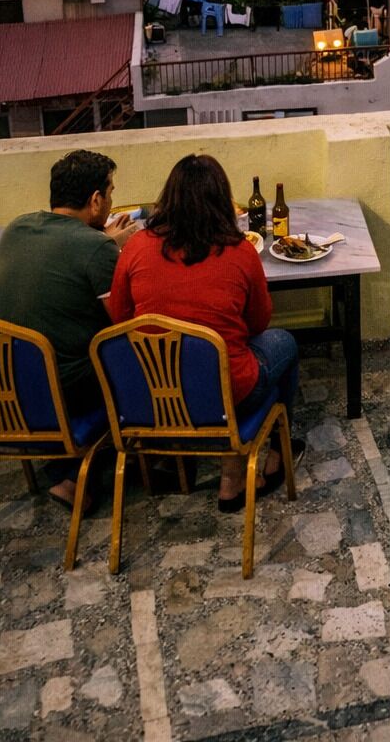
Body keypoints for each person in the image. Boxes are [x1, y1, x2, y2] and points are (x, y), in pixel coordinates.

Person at [109, 154, 304, 512]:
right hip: (227, 392)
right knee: (285, 343)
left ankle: (176, 455)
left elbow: (119, 319)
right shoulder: (241, 252)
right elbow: (259, 323)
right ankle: (270, 456)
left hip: (152, 397)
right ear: (222, 201)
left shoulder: (134, 248)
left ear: (168, 198)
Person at [0, 149, 136, 509]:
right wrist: (114, 250)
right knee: (132, 357)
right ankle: (81, 472)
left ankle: (67, 470)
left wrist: (103, 240)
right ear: (97, 199)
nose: (111, 199)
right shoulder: (95, 248)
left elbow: (64, 254)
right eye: (110, 192)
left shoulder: (16, 228)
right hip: (59, 395)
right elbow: (122, 323)